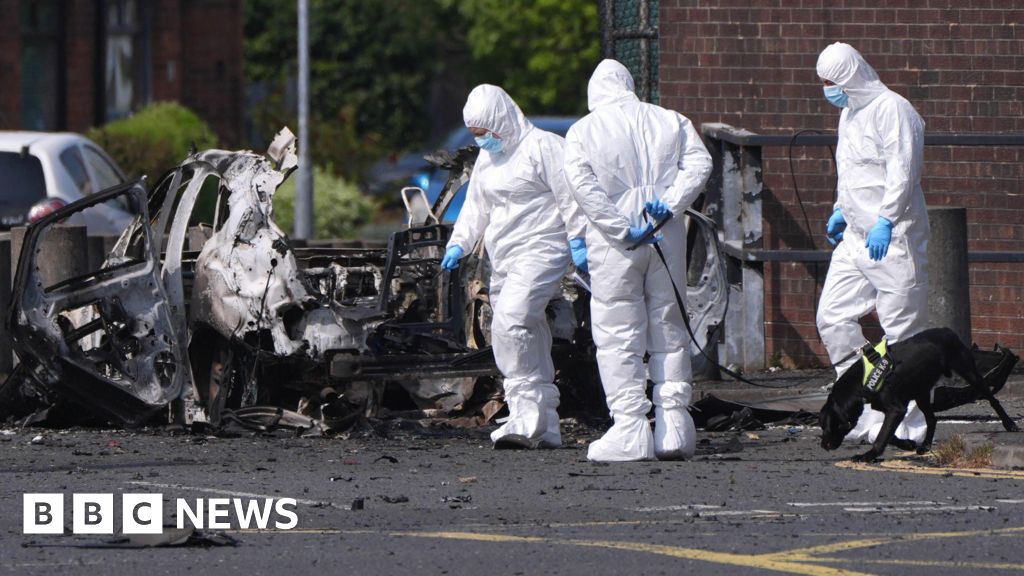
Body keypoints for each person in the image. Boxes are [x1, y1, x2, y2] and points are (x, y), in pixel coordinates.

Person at [563, 59, 712, 462]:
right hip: (666, 234)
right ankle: (674, 426)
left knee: (618, 332)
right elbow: (700, 164)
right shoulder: (671, 120)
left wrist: (618, 228)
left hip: (616, 247)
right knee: (669, 325)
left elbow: (582, 187)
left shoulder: (583, 131)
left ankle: (630, 428)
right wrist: (670, 206)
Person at [441, 84, 587, 449]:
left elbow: (571, 195)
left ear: (501, 119)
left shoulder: (544, 147)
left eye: (484, 133)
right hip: (503, 257)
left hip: (543, 249)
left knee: (513, 319)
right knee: (528, 327)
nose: (483, 141)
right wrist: (458, 243)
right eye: (476, 136)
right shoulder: (489, 159)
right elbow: (476, 207)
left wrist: (578, 239)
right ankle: (546, 420)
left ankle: (525, 410)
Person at [815, 42, 930, 445]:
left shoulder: (893, 110)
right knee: (832, 318)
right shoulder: (850, 115)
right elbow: (851, 172)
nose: (828, 90)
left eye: (832, 82)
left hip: (892, 237)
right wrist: (841, 210)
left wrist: (885, 219)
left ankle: (908, 421)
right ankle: (865, 404)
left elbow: (903, 169)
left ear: (850, 77)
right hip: (856, 239)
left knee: (902, 333)